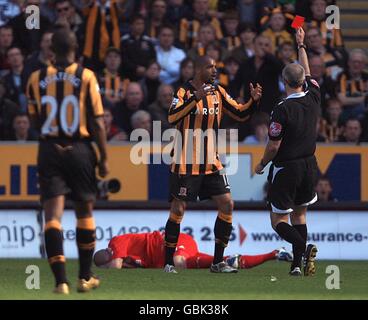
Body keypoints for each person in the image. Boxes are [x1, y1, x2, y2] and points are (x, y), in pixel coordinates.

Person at [26, 28, 109, 294]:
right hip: (80, 148)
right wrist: (104, 156)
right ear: (77, 49)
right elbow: (97, 121)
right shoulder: (86, 77)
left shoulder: (35, 78)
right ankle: (85, 277)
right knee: (84, 211)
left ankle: (60, 281)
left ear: (51, 50)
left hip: (50, 148)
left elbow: (33, 119)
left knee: (53, 216)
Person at [164, 55, 262, 274]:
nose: (215, 71)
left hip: (211, 161)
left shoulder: (218, 92)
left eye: (215, 67)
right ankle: (168, 262)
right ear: (198, 69)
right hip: (185, 161)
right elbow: (172, 117)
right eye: (210, 67)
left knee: (227, 204)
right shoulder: (183, 92)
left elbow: (240, 113)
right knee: (178, 208)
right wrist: (195, 98)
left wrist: (253, 102)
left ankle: (218, 262)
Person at [255, 28, 319, 277]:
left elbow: (273, 146)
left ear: (284, 82)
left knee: (278, 220)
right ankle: (296, 266)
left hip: (287, 167)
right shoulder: (314, 94)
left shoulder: (281, 108)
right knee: (300, 215)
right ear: (303, 81)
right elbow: (308, 72)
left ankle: (302, 249)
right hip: (309, 165)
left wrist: (261, 164)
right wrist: (300, 45)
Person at [93, 231, 293, 269]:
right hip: (172, 256)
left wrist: (106, 271)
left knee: (179, 262)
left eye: (106, 266)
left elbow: (116, 265)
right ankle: (274, 253)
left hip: (173, 242)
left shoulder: (116, 242)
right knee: (223, 262)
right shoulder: (125, 258)